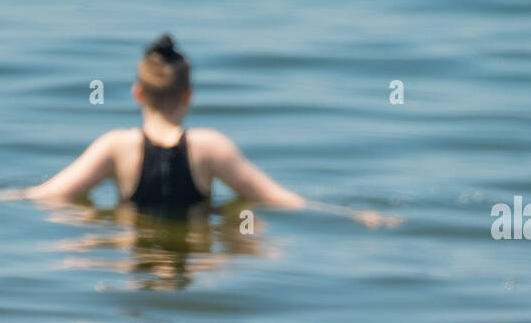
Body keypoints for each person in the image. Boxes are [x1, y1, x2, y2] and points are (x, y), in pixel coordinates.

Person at [24, 34, 396, 226]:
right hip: (195, 261)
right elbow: (280, 198)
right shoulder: (209, 147)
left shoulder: (116, 148)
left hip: (133, 262)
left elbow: (45, 196)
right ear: (188, 95)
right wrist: (354, 215)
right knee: (244, 223)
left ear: (138, 93)